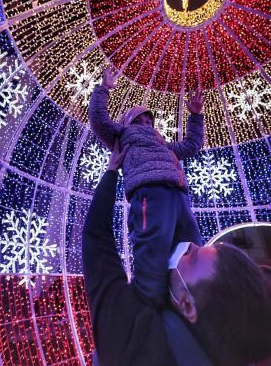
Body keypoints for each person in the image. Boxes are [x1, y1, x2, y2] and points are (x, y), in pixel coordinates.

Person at [82, 142, 271, 366]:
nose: (190, 246)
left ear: (188, 305)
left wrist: (111, 170)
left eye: (193, 258)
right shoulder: (230, 346)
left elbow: (96, 237)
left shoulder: (128, 334)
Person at [89, 70, 204, 305]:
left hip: (178, 195)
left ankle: (196, 301)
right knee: (153, 251)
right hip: (149, 195)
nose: (146, 124)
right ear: (127, 124)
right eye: (138, 120)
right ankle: (150, 309)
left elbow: (192, 145)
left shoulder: (163, 144)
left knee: (193, 250)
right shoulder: (123, 135)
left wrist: (195, 115)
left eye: (148, 120)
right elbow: (99, 120)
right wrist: (104, 89)